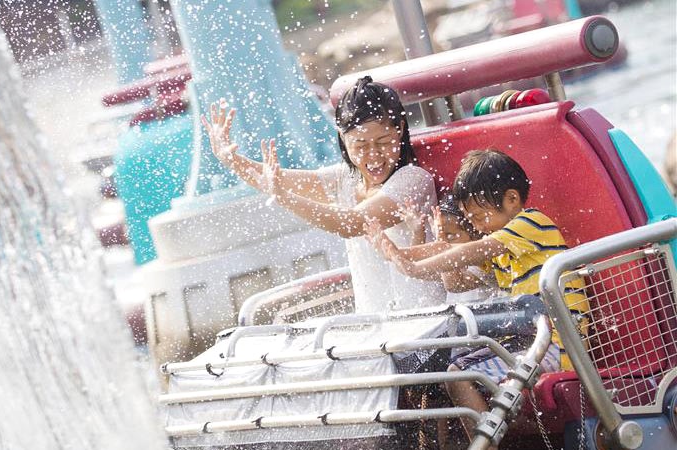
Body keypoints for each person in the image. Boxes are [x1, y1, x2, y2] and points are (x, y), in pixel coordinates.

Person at [379, 149, 589, 447]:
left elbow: (470, 251)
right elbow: (456, 280)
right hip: (530, 343)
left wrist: (413, 266)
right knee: (453, 372)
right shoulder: (502, 248)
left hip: (557, 344)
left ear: (512, 199)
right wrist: (401, 254)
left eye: (479, 216)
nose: (476, 226)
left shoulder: (530, 224)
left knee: (460, 376)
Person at [201, 76, 445, 313]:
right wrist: (232, 160)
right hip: (376, 324)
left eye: (382, 142)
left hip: (428, 326)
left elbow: (351, 223)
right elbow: (274, 180)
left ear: (400, 129)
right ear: (342, 138)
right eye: (360, 146)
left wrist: (283, 197)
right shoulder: (344, 179)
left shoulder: (413, 180)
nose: (373, 155)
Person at [367, 194, 498, 305]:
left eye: (450, 236)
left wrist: (440, 239)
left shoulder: (485, 263)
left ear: (475, 235)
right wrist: (417, 233)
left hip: (483, 325)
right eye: (440, 235)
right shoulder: (457, 265)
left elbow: (454, 284)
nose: (444, 243)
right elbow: (419, 270)